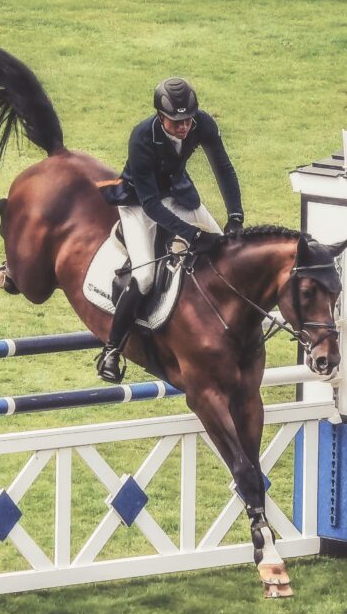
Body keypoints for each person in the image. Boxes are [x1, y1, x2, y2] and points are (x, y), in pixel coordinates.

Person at [97, 76, 245, 383]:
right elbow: (152, 205)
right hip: (140, 203)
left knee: (225, 255)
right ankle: (111, 350)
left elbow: (224, 167)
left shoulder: (202, 123)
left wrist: (235, 216)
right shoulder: (142, 136)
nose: (185, 127)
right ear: (160, 117)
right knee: (145, 276)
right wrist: (190, 234)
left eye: (188, 120)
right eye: (177, 122)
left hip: (178, 193)